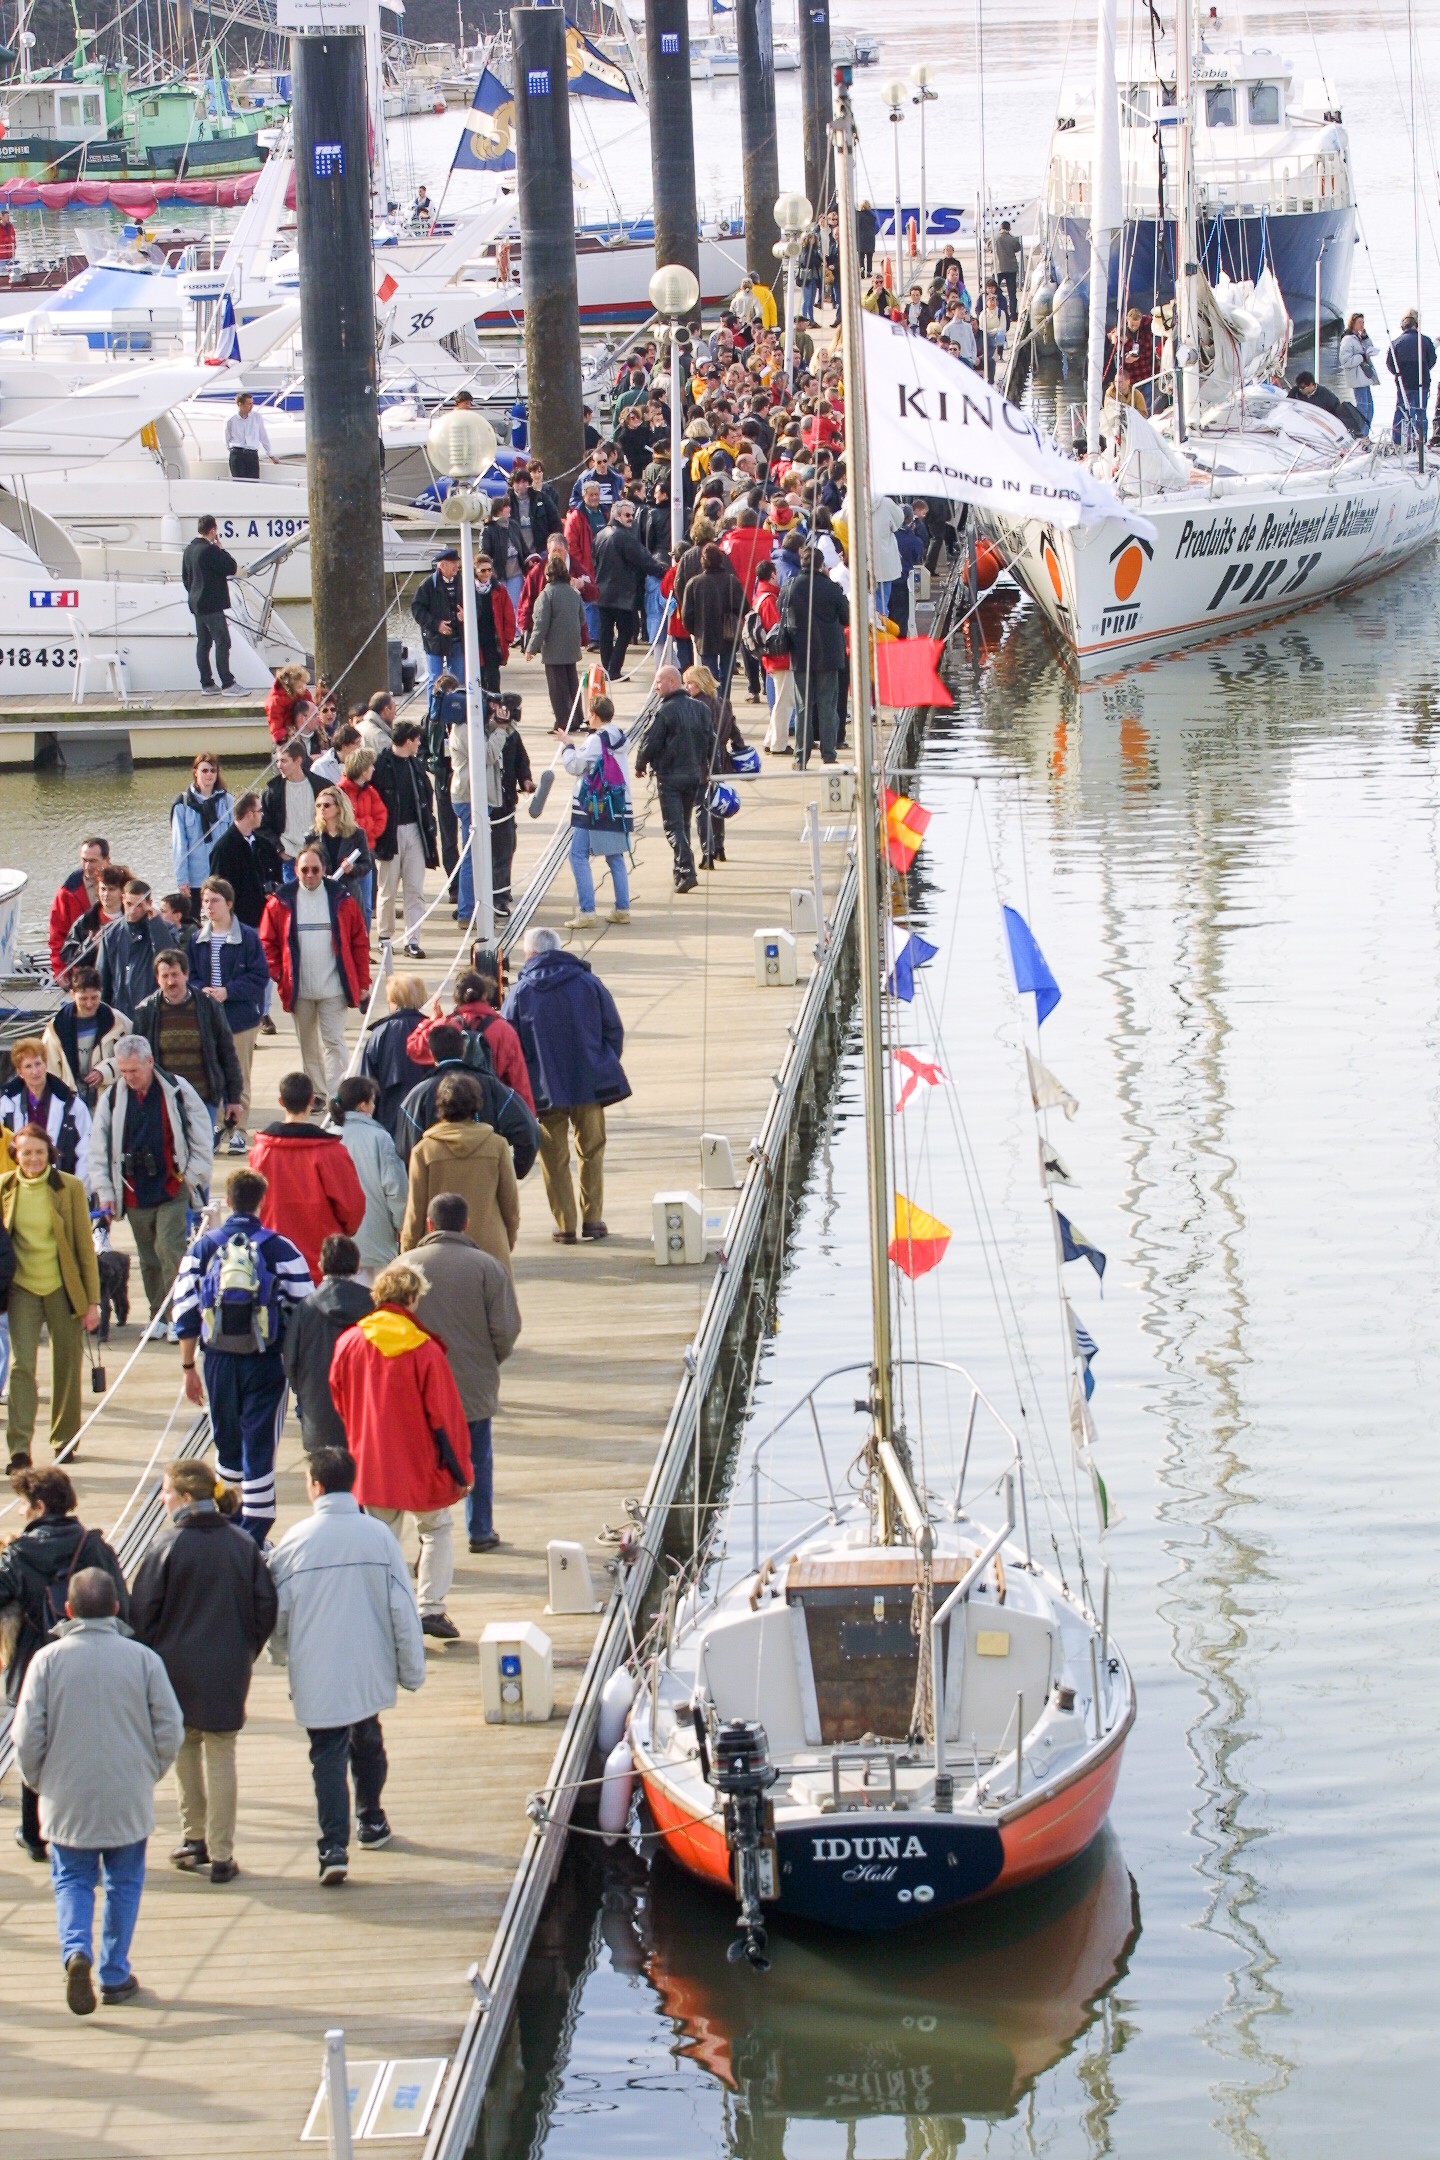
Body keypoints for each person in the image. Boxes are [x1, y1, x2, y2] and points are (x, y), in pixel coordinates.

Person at [14, 1565, 183, 2013]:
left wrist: (38, 1781)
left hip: (65, 1795)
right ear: (114, 1608)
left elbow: (26, 1735)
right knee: (124, 1881)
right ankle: (113, 1972)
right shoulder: (143, 1659)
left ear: (67, 1609)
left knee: (71, 1878)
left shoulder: (46, 1662)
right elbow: (171, 1728)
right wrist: (150, 1770)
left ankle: (75, 1951)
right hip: (127, 1791)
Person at [266, 1445, 425, 1882]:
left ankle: (333, 1846)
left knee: (327, 1753)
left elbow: (278, 1614)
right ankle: (371, 1817)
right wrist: (411, 1668)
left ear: (315, 1486)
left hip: (316, 1665)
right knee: (367, 1736)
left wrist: (282, 1653)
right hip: (367, 1659)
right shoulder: (378, 1537)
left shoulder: (294, 1543)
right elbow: (402, 1608)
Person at [128, 1460, 278, 1882]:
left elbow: (143, 1612)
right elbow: (266, 1605)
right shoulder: (242, 1543)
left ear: (185, 1498)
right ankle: (223, 1852)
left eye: (165, 1491)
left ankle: (193, 1838)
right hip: (229, 1663)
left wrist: (154, 1654)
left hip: (174, 1667)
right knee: (221, 1750)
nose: (161, 1498)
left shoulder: (166, 1545)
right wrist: (247, 1646)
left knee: (185, 1747)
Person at [329, 1260, 472, 1641]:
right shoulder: (424, 1350)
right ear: (410, 1298)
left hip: (371, 1458)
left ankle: (386, 1612)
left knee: (382, 1537)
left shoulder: (349, 1343)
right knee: (436, 1528)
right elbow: (446, 1417)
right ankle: (430, 1607)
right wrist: (462, 1472)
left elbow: (339, 1399)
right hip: (421, 1460)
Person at [173, 1165, 313, 1542]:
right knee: (260, 1447)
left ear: (230, 1200)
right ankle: (255, 1532)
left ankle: (228, 1526)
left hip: (217, 1360)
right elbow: (305, 1308)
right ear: (261, 1202)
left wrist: (189, 1367)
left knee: (227, 1447)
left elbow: (185, 1312)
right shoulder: (280, 1247)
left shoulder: (204, 1247)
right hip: (266, 1360)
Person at [0, 1464, 128, 1863]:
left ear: (39, 1506)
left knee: (34, 1739)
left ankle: (35, 1833)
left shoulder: (18, 1553)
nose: (20, 1512)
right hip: (94, 1658)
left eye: (24, 1504)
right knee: (94, 1738)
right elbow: (122, 1601)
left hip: (37, 1661)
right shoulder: (92, 1545)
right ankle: (97, 1829)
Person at [409, 1191, 519, 1555]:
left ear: (429, 1224)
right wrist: (488, 1361)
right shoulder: (488, 1267)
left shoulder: (404, 1266)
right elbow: (506, 1329)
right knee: (478, 1456)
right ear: (466, 1223)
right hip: (473, 1379)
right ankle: (481, 1529)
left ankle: (426, 1537)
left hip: (418, 1385)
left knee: (422, 1456)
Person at [503, 926, 628, 1243]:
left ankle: (566, 1223)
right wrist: (603, 1062)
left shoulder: (520, 993)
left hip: (545, 1089)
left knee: (553, 1157)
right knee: (593, 1150)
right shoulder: (589, 983)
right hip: (589, 1082)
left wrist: (526, 1081)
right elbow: (612, 1029)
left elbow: (509, 1043)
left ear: (530, 953)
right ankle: (594, 1219)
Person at [89, 1037, 213, 1339]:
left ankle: (177, 1315)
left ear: (149, 1062)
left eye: (135, 1070)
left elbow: (201, 1135)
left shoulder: (178, 1090)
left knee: (169, 1248)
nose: (130, 1077)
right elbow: (98, 1146)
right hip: (133, 1188)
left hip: (173, 1183)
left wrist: (194, 1176)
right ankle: (156, 1312)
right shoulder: (112, 1098)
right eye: (124, 1071)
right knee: (147, 1256)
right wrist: (105, 1191)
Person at [1, 1120, 100, 1470]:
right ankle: (19, 1449)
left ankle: (64, 1440)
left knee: (67, 1362)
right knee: (21, 1366)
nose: (32, 1159)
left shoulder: (68, 1187)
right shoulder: (4, 1187)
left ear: (50, 1153)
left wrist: (92, 1300)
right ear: (16, 1154)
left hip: (62, 1285)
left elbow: (84, 1247)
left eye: (39, 1152)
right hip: (21, 1287)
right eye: (26, 1152)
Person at [260, 845, 371, 1099]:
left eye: (315, 870)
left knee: (334, 1042)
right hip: (299, 988)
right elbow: (267, 942)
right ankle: (319, 1094)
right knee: (308, 1046)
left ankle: (337, 1096)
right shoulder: (281, 901)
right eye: (304, 870)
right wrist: (278, 973)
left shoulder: (341, 899)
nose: (310, 875)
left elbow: (359, 942)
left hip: (334, 987)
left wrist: (363, 981)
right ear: (296, 871)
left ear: (324, 870)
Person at [248, 1070, 367, 1282]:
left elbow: (252, 1206)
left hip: (272, 1263)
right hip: (321, 1265)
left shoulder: (261, 1152)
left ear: (281, 1101)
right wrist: (342, 1233)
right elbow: (352, 1206)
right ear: (312, 1101)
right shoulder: (331, 1152)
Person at [399, 1069, 520, 1264]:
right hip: (490, 1246)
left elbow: (416, 1208)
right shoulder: (497, 1145)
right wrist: (510, 1236)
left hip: (437, 1251)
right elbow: (510, 1202)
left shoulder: (424, 1150)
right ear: (476, 1105)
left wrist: (408, 1248)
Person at [395, 1021, 540, 1178]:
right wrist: (511, 1171)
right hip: (485, 1183)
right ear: (463, 1049)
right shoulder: (492, 1087)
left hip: (440, 1188)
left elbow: (406, 1150)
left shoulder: (416, 1097)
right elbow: (528, 1130)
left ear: (431, 1054)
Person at [187, 876, 269, 1150]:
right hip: (209, 1018)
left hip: (240, 1018)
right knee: (212, 1072)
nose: (209, 906)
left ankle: (239, 1130)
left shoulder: (246, 937)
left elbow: (259, 977)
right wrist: (204, 990)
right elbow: (191, 976)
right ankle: (217, 1126)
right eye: (205, 901)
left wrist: (228, 991)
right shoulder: (196, 939)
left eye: (215, 901)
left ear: (229, 903)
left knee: (240, 1075)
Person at [132, 948, 245, 1140]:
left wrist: (233, 1099)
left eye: (175, 974)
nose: (170, 981)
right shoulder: (145, 1011)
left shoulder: (208, 1006)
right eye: (165, 976)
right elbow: (138, 1060)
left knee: (201, 1159)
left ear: (186, 974)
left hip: (204, 1099)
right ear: (157, 979)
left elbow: (227, 1053)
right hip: (163, 1101)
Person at [281, 1231, 374, 1449]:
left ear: (321, 1265)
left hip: (318, 1413)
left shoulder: (306, 1308)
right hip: (365, 1417)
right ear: (357, 1265)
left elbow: (290, 1361)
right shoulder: (374, 1305)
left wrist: (304, 1396)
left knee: (325, 1478)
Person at [634, 664, 714, 893]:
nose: (656, 686)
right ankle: (680, 871)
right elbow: (711, 741)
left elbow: (650, 742)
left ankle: (686, 870)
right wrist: (711, 769)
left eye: (659, 682)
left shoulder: (664, 711)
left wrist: (640, 765)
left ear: (672, 682)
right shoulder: (701, 709)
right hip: (694, 775)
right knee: (683, 825)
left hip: (670, 776)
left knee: (672, 826)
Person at [559, 692, 632, 928]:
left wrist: (568, 746)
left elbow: (575, 766)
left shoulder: (595, 741)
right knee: (615, 856)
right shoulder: (620, 737)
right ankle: (622, 908)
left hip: (594, 805)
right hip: (619, 803)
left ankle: (587, 911)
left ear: (594, 715)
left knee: (577, 854)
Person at [328, 1077, 406, 1280]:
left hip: (336, 1238)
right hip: (376, 1238)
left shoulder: (328, 1137)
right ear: (362, 1105)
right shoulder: (380, 1137)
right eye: (372, 1101)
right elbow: (396, 1189)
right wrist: (401, 1225)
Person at [373, 721, 439, 960]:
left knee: (415, 889)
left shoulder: (416, 765)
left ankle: (413, 940)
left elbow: (425, 796)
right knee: (387, 889)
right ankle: (385, 937)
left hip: (415, 832)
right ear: (408, 741)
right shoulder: (380, 765)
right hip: (388, 834)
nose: (419, 743)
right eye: (417, 740)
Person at [781, 550, 850, 767]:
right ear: (821, 564)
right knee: (828, 706)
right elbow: (846, 616)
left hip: (801, 654)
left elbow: (780, 610)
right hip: (829, 654)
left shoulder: (790, 586)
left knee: (803, 707)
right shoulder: (831, 588)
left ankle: (801, 757)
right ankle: (829, 754)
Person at [683, 662, 746, 870]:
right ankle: (719, 847)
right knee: (718, 802)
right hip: (721, 759)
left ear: (700, 683)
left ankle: (707, 851)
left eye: (689, 683)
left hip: (700, 761)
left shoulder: (693, 706)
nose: (686, 688)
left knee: (702, 807)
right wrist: (740, 749)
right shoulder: (724, 703)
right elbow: (736, 733)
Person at [593, 500, 666, 678]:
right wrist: (664, 571)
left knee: (606, 632)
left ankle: (608, 668)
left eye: (632, 515)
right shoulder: (623, 537)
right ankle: (613, 669)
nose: (631, 519)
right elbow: (644, 560)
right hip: (621, 593)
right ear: (617, 515)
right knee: (626, 630)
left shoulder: (600, 535)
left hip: (603, 591)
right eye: (627, 515)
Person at [0, 1034, 91, 1176]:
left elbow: (86, 1151)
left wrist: (79, 1190)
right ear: (20, 1072)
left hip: (61, 1183)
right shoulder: (5, 1105)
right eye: (28, 1066)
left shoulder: (72, 1104)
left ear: (45, 1065)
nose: (35, 1071)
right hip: (18, 1184)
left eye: (38, 1064)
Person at [358, 973, 430, 1136]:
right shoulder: (431, 1029)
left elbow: (366, 1081)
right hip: (428, 1118)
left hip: (389, 1120)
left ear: (394, 1001)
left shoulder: (380, 1033)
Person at [43, 966, 129, 1099]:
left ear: (101, 992)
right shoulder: (56, 1028)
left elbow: (133, 1057)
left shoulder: (118, 1021)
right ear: (72, 994)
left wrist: (104, 1072)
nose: (89, 1004)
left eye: (94, 998)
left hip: (109, 1097)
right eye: (83, 999)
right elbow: (49, 1070)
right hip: (70, 1099)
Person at [524, 555, 587, 734]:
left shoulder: (547, 594)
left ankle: (563, 721)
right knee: (572, 684)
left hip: (553, 648)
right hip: (571, 645)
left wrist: (531, 648)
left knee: (557, 688)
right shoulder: (574, 592)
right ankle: (576, 718)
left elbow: (541, 624)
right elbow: (582, 618)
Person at [483, 692, 533, 918]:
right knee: (493, 851)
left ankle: (501, 893)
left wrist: (526, 780)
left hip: (506, 801)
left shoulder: (512, 734)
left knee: (506, 847)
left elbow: (521, 759)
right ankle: (495, 895)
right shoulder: (484, 732)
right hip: (487, 801)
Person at [180, 514, 239, 694]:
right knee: (223, 642)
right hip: (212, 606)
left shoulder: (189, 550)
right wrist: (221, 549)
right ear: (213, 530)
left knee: (203, 644)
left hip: (197, 604)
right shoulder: (210, 550)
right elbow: (231, 567)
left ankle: (207, 683)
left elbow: (185, 578)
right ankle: (228, 683)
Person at [260, 735, 324, 886]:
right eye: (277, 761)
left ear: (298, 761)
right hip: (289, 858)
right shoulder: (272, 792)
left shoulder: (320, 786)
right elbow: (263, 826)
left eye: (284, 761)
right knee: (293, 905)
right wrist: (279, 849)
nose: (279, 766)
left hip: (317, 856)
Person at [169, 751, 234, 899]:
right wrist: (182, 880)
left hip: (221, 875)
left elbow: (233, 840)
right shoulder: (182, 805)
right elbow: (179, 845)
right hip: (195, 878)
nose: (209, 774)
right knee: (192, 920)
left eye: (213, 770)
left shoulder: (227, 801)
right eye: (204, 770)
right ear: (195, 772)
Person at [98, 879, 170, 1012]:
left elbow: (168, 959)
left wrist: (156, 924)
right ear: (123, 899)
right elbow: (103, 978)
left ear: (149, 904)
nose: (132, 911)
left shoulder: (164, 929)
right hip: (120, 1010)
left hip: (152, 1010)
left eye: (139, 905)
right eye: (129, 904)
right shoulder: (110, 933)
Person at [48, 836, 110, 983]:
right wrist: (59, 970)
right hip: (82, 967)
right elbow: (57, 934)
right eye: (84, 860)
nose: (87, 866)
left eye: (93, 861)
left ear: (106, 859)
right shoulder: (67, 892)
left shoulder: (124, 885)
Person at [311, 784, 374, 919]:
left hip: (348, 893)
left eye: (327, 805)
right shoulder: (312, 835)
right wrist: (320, 875)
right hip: (322, 893)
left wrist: (352, 868)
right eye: (318, 805)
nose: (322, 809)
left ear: (339, 808)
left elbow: (366, 864)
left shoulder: (356, 834)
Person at [752, 557, 794, 754]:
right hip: (780, 657)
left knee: (781, 700)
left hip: (771, 658)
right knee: (784, 702)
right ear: (772, 575)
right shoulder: (769, 600)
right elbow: (776, 628)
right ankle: (779, 743)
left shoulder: (760, 596)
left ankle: (771, 739)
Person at [208, 793, 268, 929]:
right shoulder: (223, 849)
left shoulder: (262, 844)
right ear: (249, 814)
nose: (262, 814)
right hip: (238, 923)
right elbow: (217, 888)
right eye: (259, 811)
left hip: (263, 918)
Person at [411, 545, 465, 683]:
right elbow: (417, 609)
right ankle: (434, 705)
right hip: (434, 639)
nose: (456, 566)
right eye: (453, 563)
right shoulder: (428, 585)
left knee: (458, 678)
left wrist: (467, 614)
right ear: (442, 565)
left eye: (457, 562)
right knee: (435, 678)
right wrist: (437, 624)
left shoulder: (464, 582)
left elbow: (477, 604)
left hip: (458, 637)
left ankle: (455, 703)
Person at [1386, 310, 1436, 448]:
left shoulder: (1396, 342)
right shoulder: (1425, 341)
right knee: (1421, 412)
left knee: (1401, 411)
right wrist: (1424, 369)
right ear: (1416, 325)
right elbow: (1432, 360)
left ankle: (1397, 441)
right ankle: (1421, 440)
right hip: (1422, 382)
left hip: (1404, 384)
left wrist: (1399, 374)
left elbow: (1390, 364)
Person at [1287, 370, 1366, 438]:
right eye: (1299, 387)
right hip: (1299, 423)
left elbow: (1336, 412)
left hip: (1321, 427)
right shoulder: (1295, 392)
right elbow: (1287, 403)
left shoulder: (1326, 395)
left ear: (1311, 385)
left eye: (1302, 387)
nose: (1300, 389)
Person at [1338, 311, 1379, 432]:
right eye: (1359, 322)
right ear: (1353, 323)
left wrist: (1366, 338)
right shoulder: (1347, 340)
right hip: (1357, 378)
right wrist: (1362, 357)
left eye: (1363, 322)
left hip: (1365, 377)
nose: (1362, 325)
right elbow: (1345, 361)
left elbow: (1369, 348)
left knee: (1370, 407)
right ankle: (1361, 433)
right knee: (1363, 407)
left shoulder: (1359, 338)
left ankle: (1366, 432)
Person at [225, 390, 274, 481]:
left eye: (252, 403)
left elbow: (263, 436)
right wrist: (232, 450)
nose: (251, 406)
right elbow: (227, 439)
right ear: (240, 404)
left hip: (251, 454)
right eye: (248, 404)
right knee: (239, 482)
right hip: (237, 453)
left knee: (254, 482)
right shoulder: (231, 420)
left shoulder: (256, 417)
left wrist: (269, 453)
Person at [265, 661, 312, 747]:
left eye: (305, 685)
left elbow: (312, 710)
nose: (304, 689)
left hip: (302, 732)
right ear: (290, 687)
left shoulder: (304, 694)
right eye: (299, 687)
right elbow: (275, 724)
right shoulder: (276, 702)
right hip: (285, 737)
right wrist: (282, 736)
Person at [992, 219, 1022, 318]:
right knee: (1012, 293)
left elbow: (989, 247)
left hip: (998, 268)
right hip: (1011, 268)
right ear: (1009, 228)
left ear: (1000, 227)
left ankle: (996, 311)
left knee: (994, 291)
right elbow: (1018, 248)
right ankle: (1013, 313)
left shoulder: (995, 238)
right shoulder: (1012, 239)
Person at [855, 200, 877, 278]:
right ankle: (869, 271)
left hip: (861, 237)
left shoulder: (858, 215)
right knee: (869, 256)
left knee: (861, 255)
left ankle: (862, 269)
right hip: (870, 237)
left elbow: (857, 225)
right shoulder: (872, 216)